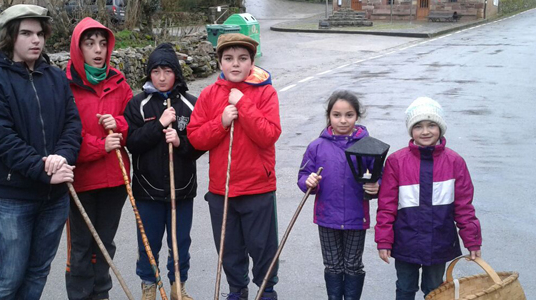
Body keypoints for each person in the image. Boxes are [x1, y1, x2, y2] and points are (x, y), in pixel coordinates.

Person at [0, 4, 81, 299]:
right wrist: (45, 169)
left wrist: (63, 156)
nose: (36, 40)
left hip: (55, 197)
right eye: (26, 33)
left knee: (37, 272)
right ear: (10, 37)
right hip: (15, 197)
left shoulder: (56, 78)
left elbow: (72, 124)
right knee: (9, 276)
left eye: (39, 33)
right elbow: (0, 140)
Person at [187, 33, 281, 300]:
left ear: (252, 62)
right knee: (229, 249)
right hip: (222, 190)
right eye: (228, 59)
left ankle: (266, 290)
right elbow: (195, 138)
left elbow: (268, 134)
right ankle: (236, 290)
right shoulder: (208, 95)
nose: (235, 64)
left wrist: (243, 103)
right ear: (220, 63)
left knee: (262, 247)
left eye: (242, 58)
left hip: (258, 188)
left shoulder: (265, 92)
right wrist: (221, 122)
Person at [375, 97, 482, 300]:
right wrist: (384, 240)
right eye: (418, 126)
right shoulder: (396, 162)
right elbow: (387, 205)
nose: (425, 131)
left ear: (440, 127)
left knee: (435, 289)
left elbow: (464, 207)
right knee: (405, 287)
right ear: (411, 130)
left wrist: (472, 241)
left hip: (439, 241)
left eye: (431, 125)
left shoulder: (455, 162)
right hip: (405, 240)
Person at [124, 43, 200, 300]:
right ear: (149, 75)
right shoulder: (138, 105)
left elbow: (199, 145)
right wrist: (159, 125)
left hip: (182, 190)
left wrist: (180, 142)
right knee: (148, 244)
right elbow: (132, 143)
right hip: (148, 191)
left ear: (176, 73)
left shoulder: (191, 104)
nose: (162, 77)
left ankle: (179, 286)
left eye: (167, 70)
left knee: (180, 243)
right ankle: (148, 287)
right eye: (156, 71)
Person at [64, 17, 133, 300]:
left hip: (115, 179)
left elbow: (131, 123)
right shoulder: (64, 85)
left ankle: (101, 293)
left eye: (103, 44)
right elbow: (64, 136)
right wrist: (99, 145)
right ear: (78, 48)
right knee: (81, 245)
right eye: (90, 43)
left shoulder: (118, 81)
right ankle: (80, 295)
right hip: (81, 181)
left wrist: (117, 124)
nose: (98, 50)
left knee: (105, 243)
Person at [297, 91, 379, 300]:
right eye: (337, 115)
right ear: (329, 116)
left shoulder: (368, 146)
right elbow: (304, 175)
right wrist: (308, 182)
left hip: (355, 218)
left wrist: (376, 185)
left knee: (352, 265)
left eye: (349, 115)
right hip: (327, 217)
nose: (343, 120)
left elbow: (380, 176)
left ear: (357, 116)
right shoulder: (316, 146)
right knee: (333, 265)